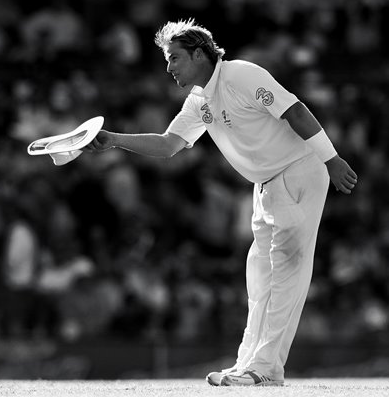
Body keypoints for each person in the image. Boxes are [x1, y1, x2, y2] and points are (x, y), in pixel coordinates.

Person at [84, 19, 358, 386]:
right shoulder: (199, 100)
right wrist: (113, 139)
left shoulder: (241, 75)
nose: (169, 68)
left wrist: (332, 158)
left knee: (284, 273)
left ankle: (264, 370)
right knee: (260, 278)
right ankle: (248, 364)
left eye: (175, 58)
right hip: (266, 185)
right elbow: (169, 144)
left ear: (199, 54)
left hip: (300, 171)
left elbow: (294, 111)